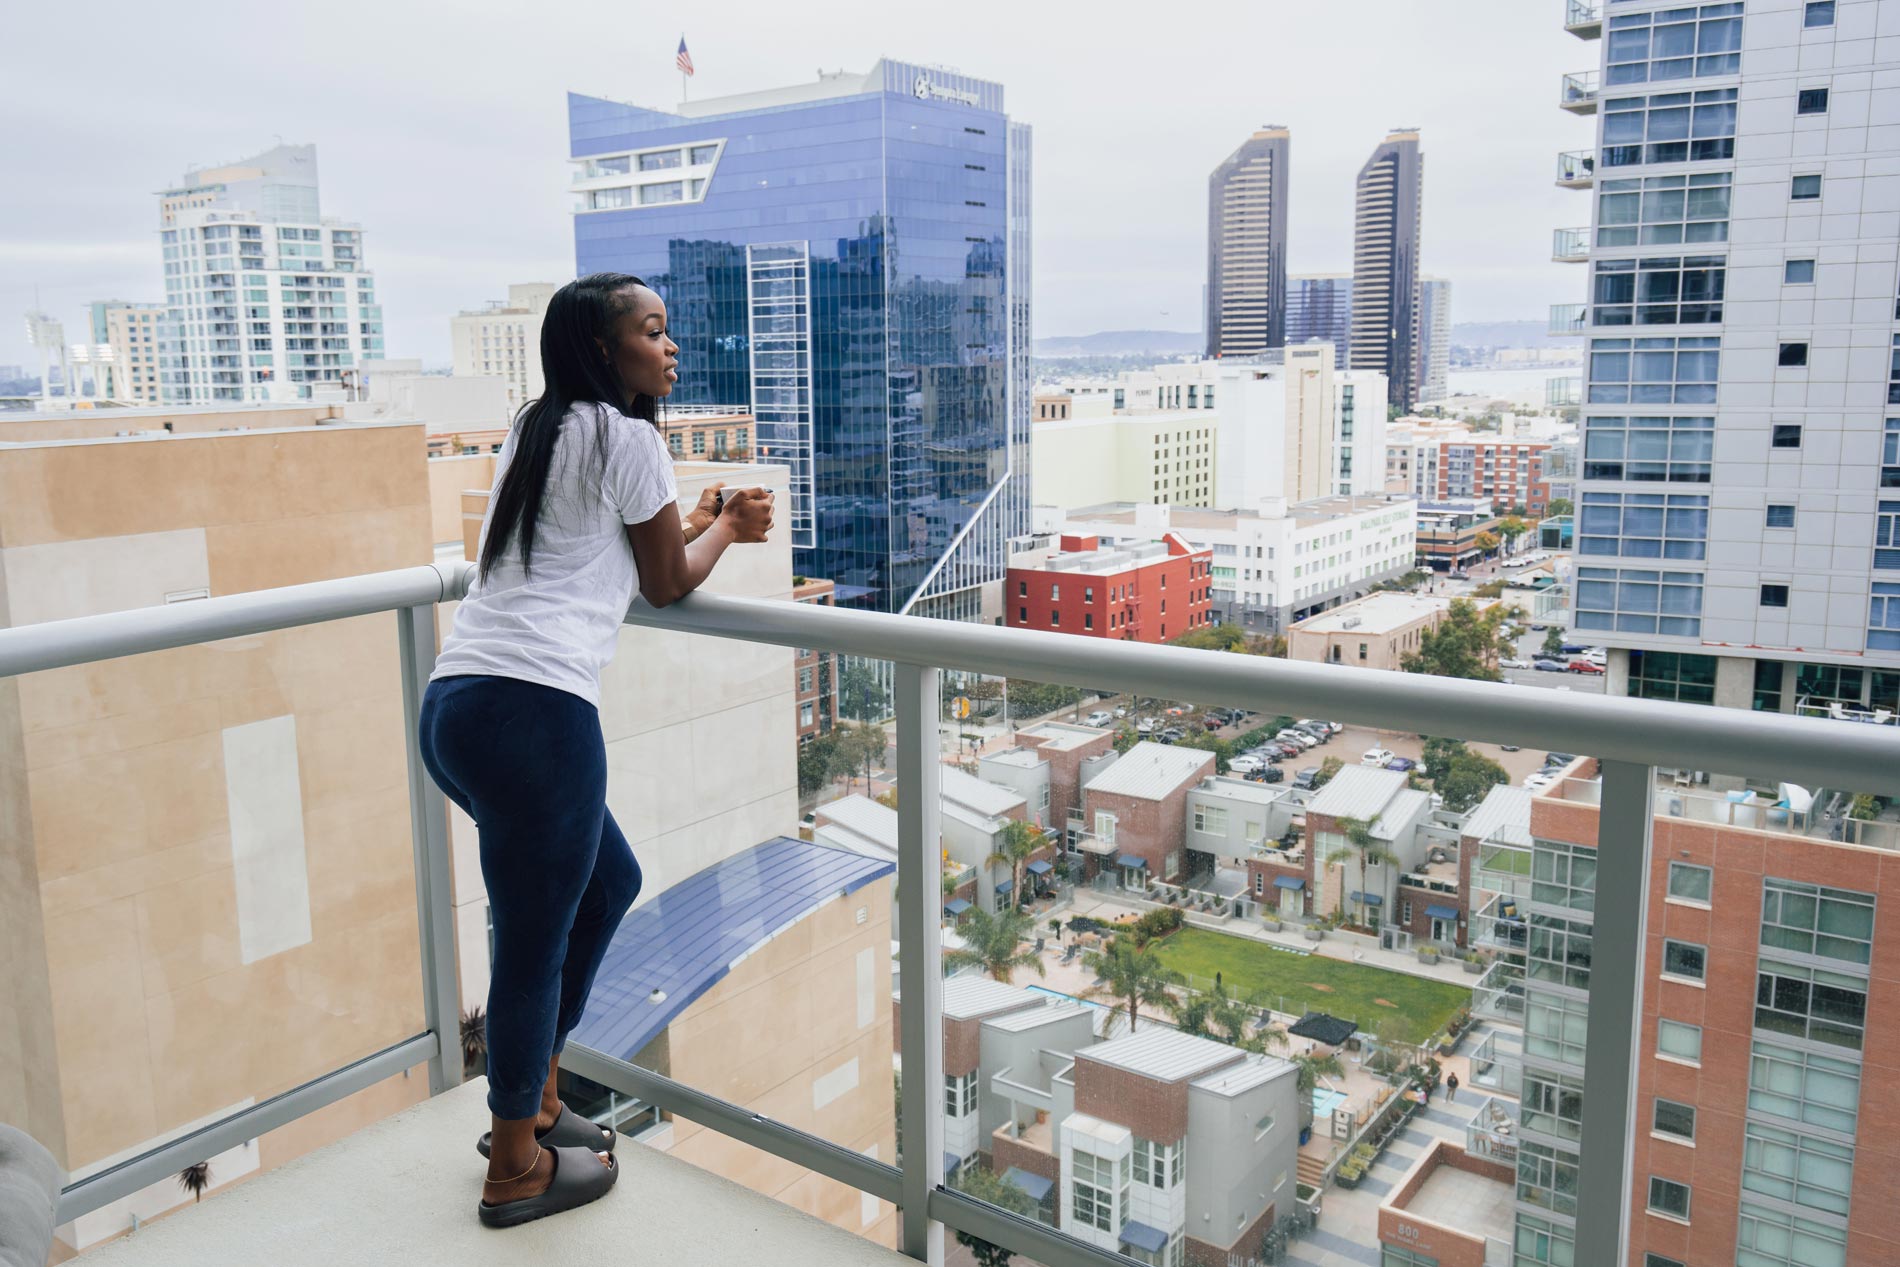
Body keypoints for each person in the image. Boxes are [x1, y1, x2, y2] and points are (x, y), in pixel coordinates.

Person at [417, 273, 773, 1229]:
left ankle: (531, 1095)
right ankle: (516, 1166)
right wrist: (731, 529)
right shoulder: (630, 436)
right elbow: (663, 585)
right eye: (652, 333)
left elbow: (600, 558)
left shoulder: (539, 429)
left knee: (606, 884)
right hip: (537, 720)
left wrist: (690, 522)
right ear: (603, 351)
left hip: (456, 708)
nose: (670, 349)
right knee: (533, 941)